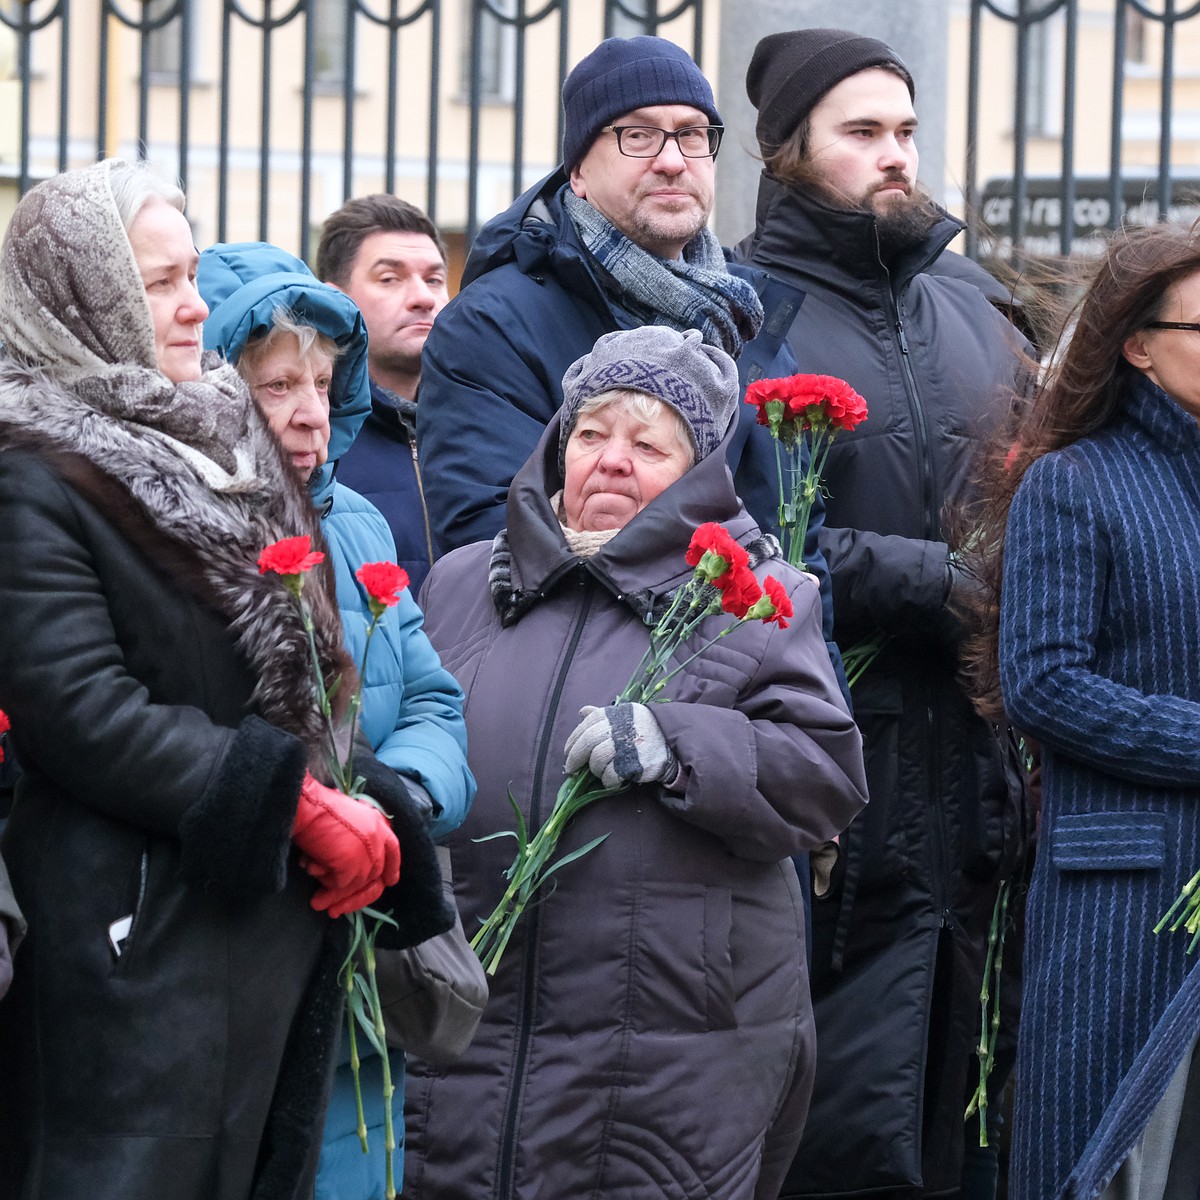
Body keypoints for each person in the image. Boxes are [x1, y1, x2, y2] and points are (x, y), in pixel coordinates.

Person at [0, 160, 451, 1200]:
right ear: (86, 290)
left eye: (191, 273)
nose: (193, 303)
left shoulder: (213, 438)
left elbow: (301, 667)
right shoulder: (31, 465)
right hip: (130, 934)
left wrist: (358, 794)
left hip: (255, 924)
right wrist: (288, 801)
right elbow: (79, 708)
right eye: (159, 282)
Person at [403, 326, 868, 1200]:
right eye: (589, 436)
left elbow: (825, 777)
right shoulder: (464, 581)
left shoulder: (765, 595)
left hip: (666, 1048)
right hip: (467, 1026)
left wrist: (677, 744)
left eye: (647, 444)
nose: (610, 462)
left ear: (698, 473)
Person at [732, 28, 1033, 1199]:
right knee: (839, 1131)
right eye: (862, 133)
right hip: (833, 785)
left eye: (905, 132)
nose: (896, 157)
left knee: (976, 1116)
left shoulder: (977, 307)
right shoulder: (742, 309)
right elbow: (741, 534)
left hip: (983, 775)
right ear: (787, 150)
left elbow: (1036, 494)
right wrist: (935, 581)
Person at [414, 36, 840, 670]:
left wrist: (806, 699)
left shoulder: (745, 319)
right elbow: (498, 547)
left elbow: (804, 556)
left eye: (694, 135)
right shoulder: (492, 326)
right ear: (579, 173)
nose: (673, 160)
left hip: (751, 700)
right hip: (576, 702)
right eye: (638, 136)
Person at [198, 240, 476, 1200]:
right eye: (276, 386)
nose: (311, 410)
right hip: (251, 950)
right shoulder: (183, 525)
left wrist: (396, 802)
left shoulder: (357, 522)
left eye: (323, 382)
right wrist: (315, 813)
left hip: (368, 957)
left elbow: (435, 699)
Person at [965, 224, 1200, 1200]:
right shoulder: (1075, 483)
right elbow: (1045, 687)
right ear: (1139, 345)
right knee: (1100, 1162)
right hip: (1126, 895)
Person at [316, 196, 450, 593]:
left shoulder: (486, 421)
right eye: (390, 278)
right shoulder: (313, 438)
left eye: (434, 279)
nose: (423, 297)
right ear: (333, 300)